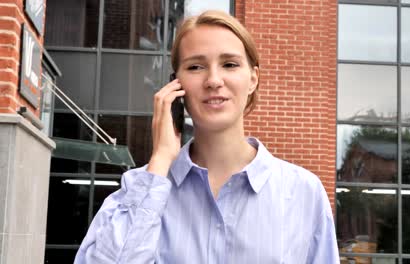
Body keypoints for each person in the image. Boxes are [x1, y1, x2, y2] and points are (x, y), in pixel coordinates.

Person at [74, 10, 339, 263]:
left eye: (230, 64)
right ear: (175, 84)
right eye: (196, 67)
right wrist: (161, 159)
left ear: (253, 79)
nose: (213, 80)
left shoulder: (303, 193)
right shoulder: (139, 191)